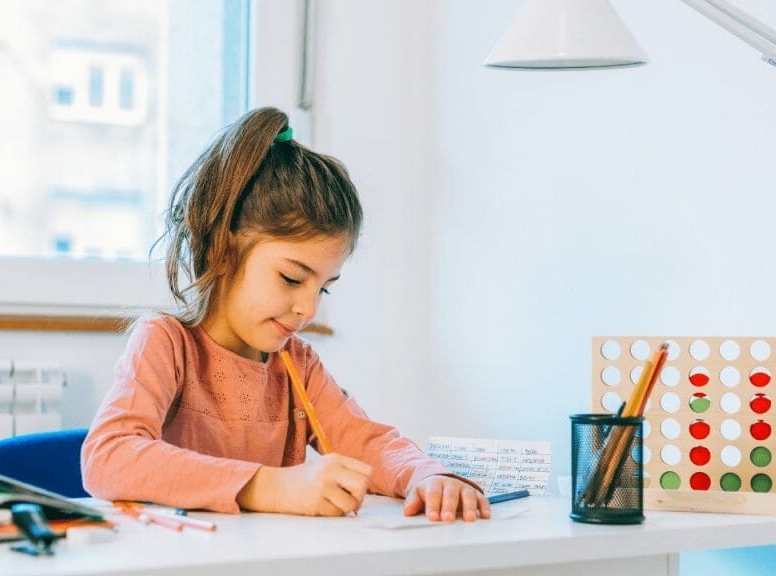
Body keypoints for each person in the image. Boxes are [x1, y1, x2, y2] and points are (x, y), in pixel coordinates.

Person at [81, 107, 489, 522]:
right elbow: (108, 457)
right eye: (292, 279)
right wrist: (270, 485)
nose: (308, 309)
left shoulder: (297, 363)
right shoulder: (166, 343)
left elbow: (364, 441)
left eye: (324, 287)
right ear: (225, 246)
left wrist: (425, 475)